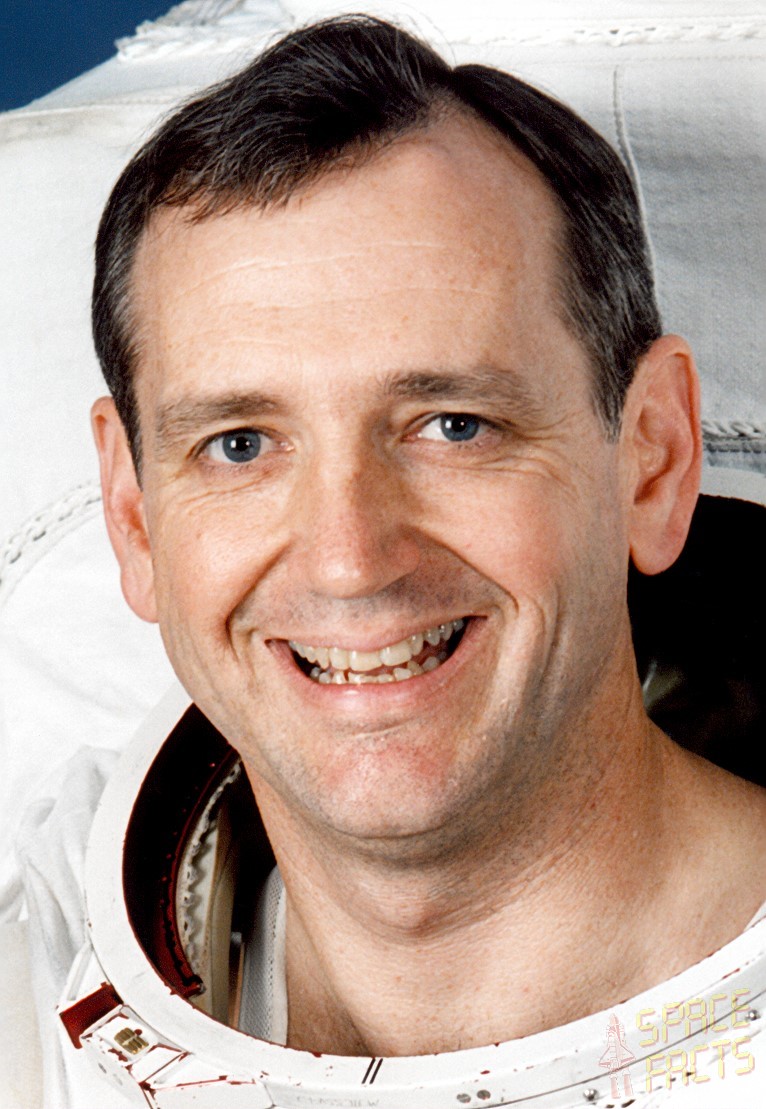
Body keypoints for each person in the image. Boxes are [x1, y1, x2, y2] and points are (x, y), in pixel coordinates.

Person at [19, 14, 766, 1108]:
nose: (349, 560)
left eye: (453, 424)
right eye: (240, 445)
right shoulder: (40, 977)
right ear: (134, 517)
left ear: (651, 459)